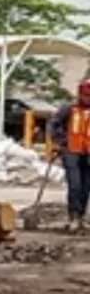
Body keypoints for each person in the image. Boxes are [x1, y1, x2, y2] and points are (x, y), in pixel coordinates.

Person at [63, 81, 90, 231]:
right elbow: (54, 124)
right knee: (75, 185)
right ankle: (72, 215)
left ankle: (81, 216)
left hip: (88, 152)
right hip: (71, 150)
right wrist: (60, 142)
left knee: (86, 187)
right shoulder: (69, 109)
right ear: (80, 95)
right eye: (86, 96)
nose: (88, 99)